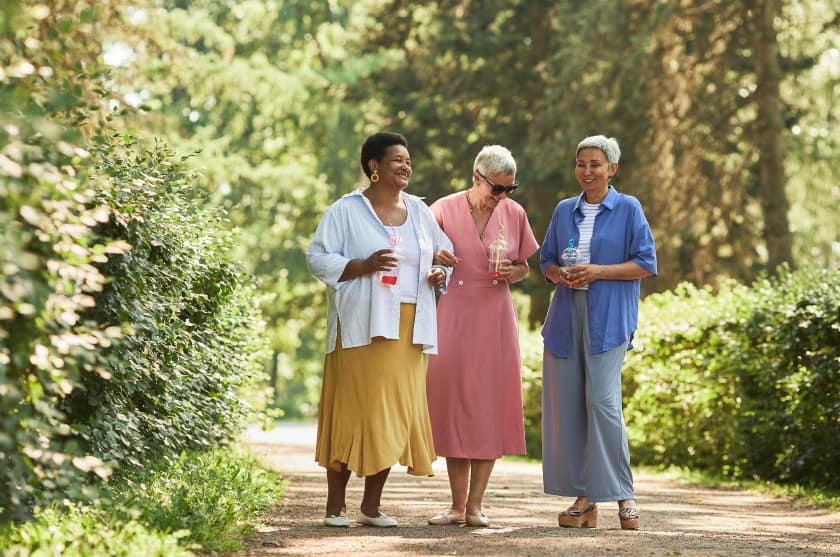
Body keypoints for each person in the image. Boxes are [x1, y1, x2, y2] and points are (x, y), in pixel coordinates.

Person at [306, 131, 454, 528]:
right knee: (354, 409)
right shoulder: (346, 210)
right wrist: (362, 266)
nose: (406, 166)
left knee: (392, 414)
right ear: (374, 166)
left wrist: (441, 271)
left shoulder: (421, 212)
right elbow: (318, 258)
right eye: (396, 160)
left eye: (408, 161)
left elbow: (443, 255)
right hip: (360, 327)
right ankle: (335, 506)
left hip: (409, 329)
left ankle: (371, 507)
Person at [540, 135, 657, 530]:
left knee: (604, 404)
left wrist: (598, 272)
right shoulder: (563, 211)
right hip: (567, 315)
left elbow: (645, 262)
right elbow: (548, 263)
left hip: (610, 317)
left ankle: (625, 495)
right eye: (580, 163)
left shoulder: (628, 208)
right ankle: (585, 501)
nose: (586, 171)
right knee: (571, 406)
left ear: (612, 169)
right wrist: (562, 276)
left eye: (595, 164)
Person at [426, 145, 539, 527]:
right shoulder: (441, 209)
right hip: (453, 313)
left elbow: (525, 267)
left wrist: (514, 273)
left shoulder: (515, 214)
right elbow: (421, 256)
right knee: (455, 403)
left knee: (489, 403)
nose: (502, 196)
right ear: (477, 177)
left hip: (495, 316)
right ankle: (456, 506)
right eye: (497, 188)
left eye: (509, 188)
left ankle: (476, 507)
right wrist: (436, 264)